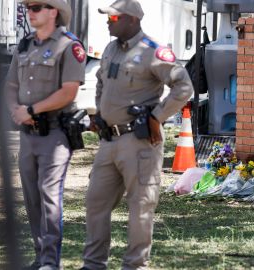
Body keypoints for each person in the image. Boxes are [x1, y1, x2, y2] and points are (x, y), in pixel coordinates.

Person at [80, 0, 193, 269]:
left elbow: (183, 86)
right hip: (108, 142)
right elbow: (100, 83)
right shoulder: (109, 49)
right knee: (96, 202)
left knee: (140, 208)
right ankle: (93, 264)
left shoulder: (153, 51)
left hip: (139, 142)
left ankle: (135, 265)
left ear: (132, 20)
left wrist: (158, 116)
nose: (108, 22)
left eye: (114, 18)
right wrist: (99, 115)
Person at [3, 0, 86, 269]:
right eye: (28, 8)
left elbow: (69, 91)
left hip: (55, 133)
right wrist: (16, 110)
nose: (30, 12)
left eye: (37, 7)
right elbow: (11, 83)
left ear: (54, 12)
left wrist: (31, 109)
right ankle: (40, 256)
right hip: (28, 134)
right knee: (31, 195)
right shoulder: (25, 44)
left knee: (49, 193)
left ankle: (51, 261)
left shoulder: (69, 45)